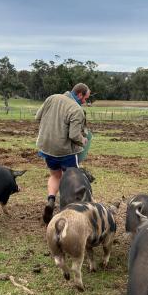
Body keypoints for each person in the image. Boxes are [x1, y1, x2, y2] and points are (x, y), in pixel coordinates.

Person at [35, 83, 91, 223]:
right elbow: (73, 135)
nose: (85, 102)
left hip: (47, 148)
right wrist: (83, 140)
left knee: (55, 175)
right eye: (85, 98)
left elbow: (37, 117)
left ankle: (51, 200)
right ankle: (67, 211)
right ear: (79, 94)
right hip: (66, 151)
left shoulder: (52, 98)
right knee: (71, 179)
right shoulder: (76, 109)